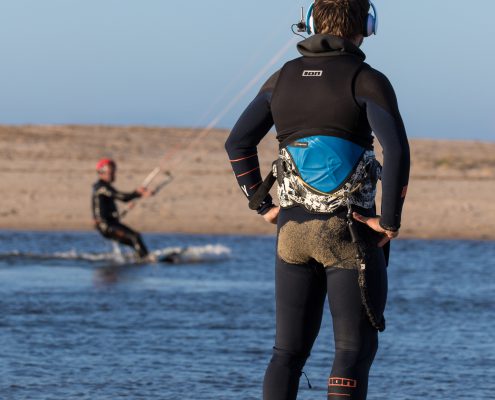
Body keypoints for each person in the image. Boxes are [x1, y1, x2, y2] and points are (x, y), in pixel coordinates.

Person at [225, 1, 410, 399]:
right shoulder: (367, 79)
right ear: (367, 25)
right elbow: (395, 152)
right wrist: (389, 221)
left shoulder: (281, 78)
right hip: (350, 231)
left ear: (310, 23)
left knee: (287, 353)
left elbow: (238, 143)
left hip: (290, 230)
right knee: (352, 351)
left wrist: (263, 205)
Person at [92, 158, 153, 260]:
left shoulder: (105, 187)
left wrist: (126, 209)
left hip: (112, 224)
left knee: (135, 239)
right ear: (101, 173)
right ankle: (145, 261)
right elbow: (121, 197)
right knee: (135, 238)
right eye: (110, 173)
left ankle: (142, 257)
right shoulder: (101, 187)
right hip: (106, 226)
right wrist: (137, 193)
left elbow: (112, 211)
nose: (113, 175)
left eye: (113, 172)